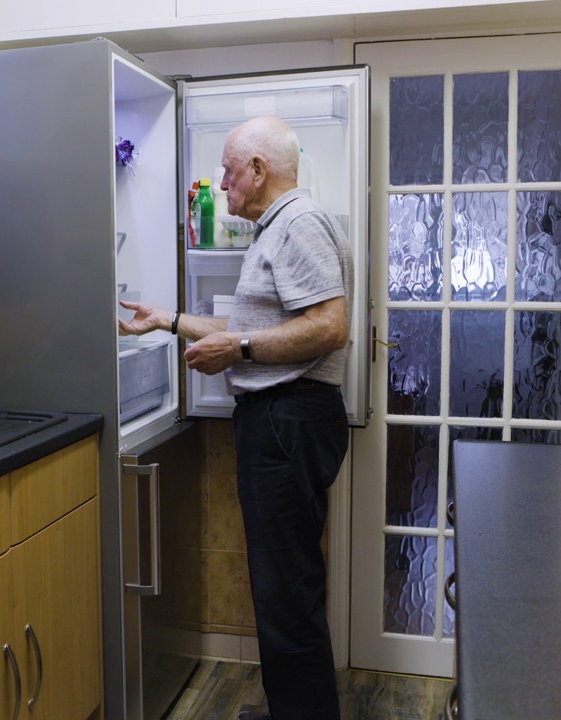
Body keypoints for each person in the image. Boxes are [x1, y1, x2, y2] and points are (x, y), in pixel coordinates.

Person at [119, 115, 351, 720]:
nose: (222, 184)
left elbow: (330, 327)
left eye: (227, 170)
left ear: (257, 169)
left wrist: (239, 351)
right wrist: (167, 320)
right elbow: (250, 328)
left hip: (288, 421)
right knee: (283, 590)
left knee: (287, 595)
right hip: (284, 423)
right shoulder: (278, 228)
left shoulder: (297, 223)